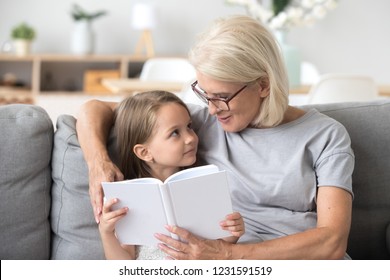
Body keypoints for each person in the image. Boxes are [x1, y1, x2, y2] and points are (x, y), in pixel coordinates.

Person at [76, 15, 354, 259]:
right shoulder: (197, 125)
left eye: (222, 97)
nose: (211, 108)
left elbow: (332, 242)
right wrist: (97, 161)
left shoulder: (325, 136)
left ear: (263, 85)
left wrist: (229, 255)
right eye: (204, 94)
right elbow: (93, 109)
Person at [97, 91, 244, 260]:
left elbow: (221, 245)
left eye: (189, 126)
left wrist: (233, 231)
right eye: (175, 133)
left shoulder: (203, 184)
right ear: (144, 152)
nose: (190, 138)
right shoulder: (128, 198)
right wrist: (106, 233)